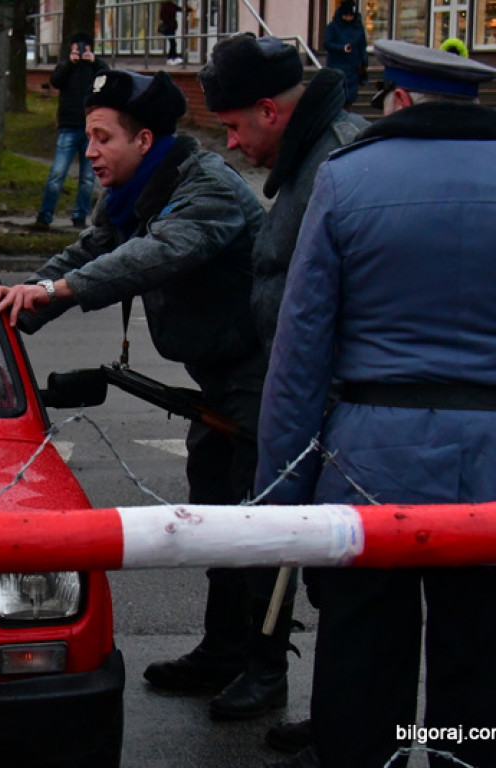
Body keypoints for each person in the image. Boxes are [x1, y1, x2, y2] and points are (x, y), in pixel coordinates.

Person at [0, 67, 266, 719]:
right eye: (87, 137)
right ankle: (224, 650)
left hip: (265, 371)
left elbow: (152, 257)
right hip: (218, 377)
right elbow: (90, 250)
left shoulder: (207, 190)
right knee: (217, 509)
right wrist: (12, 304)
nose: (89, 153)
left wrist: (57, 294)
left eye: (101, 138)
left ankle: (264, 667)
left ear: (145, 139)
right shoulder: (133, 191)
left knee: (260, 524)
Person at [256, 39, 496, 768]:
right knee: (481, 660)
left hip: (369, 462)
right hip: (491, 465)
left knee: (363, 660)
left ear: (394, 99)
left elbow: (300, 356)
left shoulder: (347, 178)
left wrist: (280, 501)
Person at [181, 36, 368, 758]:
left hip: (328, 398)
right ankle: (300, 689)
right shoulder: (313, 155)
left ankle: (346, 716)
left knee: (332, 569)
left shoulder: (339, 160)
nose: (232, 143)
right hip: (297, 381)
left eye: (234, 127)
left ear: (270, 109)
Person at [32, 32, 107, 231]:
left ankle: (79, 216)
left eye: (84, 48)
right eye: (76, 48)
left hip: (90, 130)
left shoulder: (96, 69)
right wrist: (70, 63)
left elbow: (107, 80)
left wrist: (95, 63)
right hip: (68, 126)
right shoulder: (66, 67)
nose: (81, 52)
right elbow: (56, 81)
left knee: (87, 177)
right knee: (57, 173)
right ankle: (45, 215)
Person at [324, 1, 368, 109]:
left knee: (350, 96)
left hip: (353, 67)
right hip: (337, 65)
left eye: (350, 16)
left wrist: (364, 61)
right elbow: (327, 43)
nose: (348, 18)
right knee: (337, 94)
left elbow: (362, 46)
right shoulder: (333, 27)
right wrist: (342, 48)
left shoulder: (358, 28)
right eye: (346, 15)